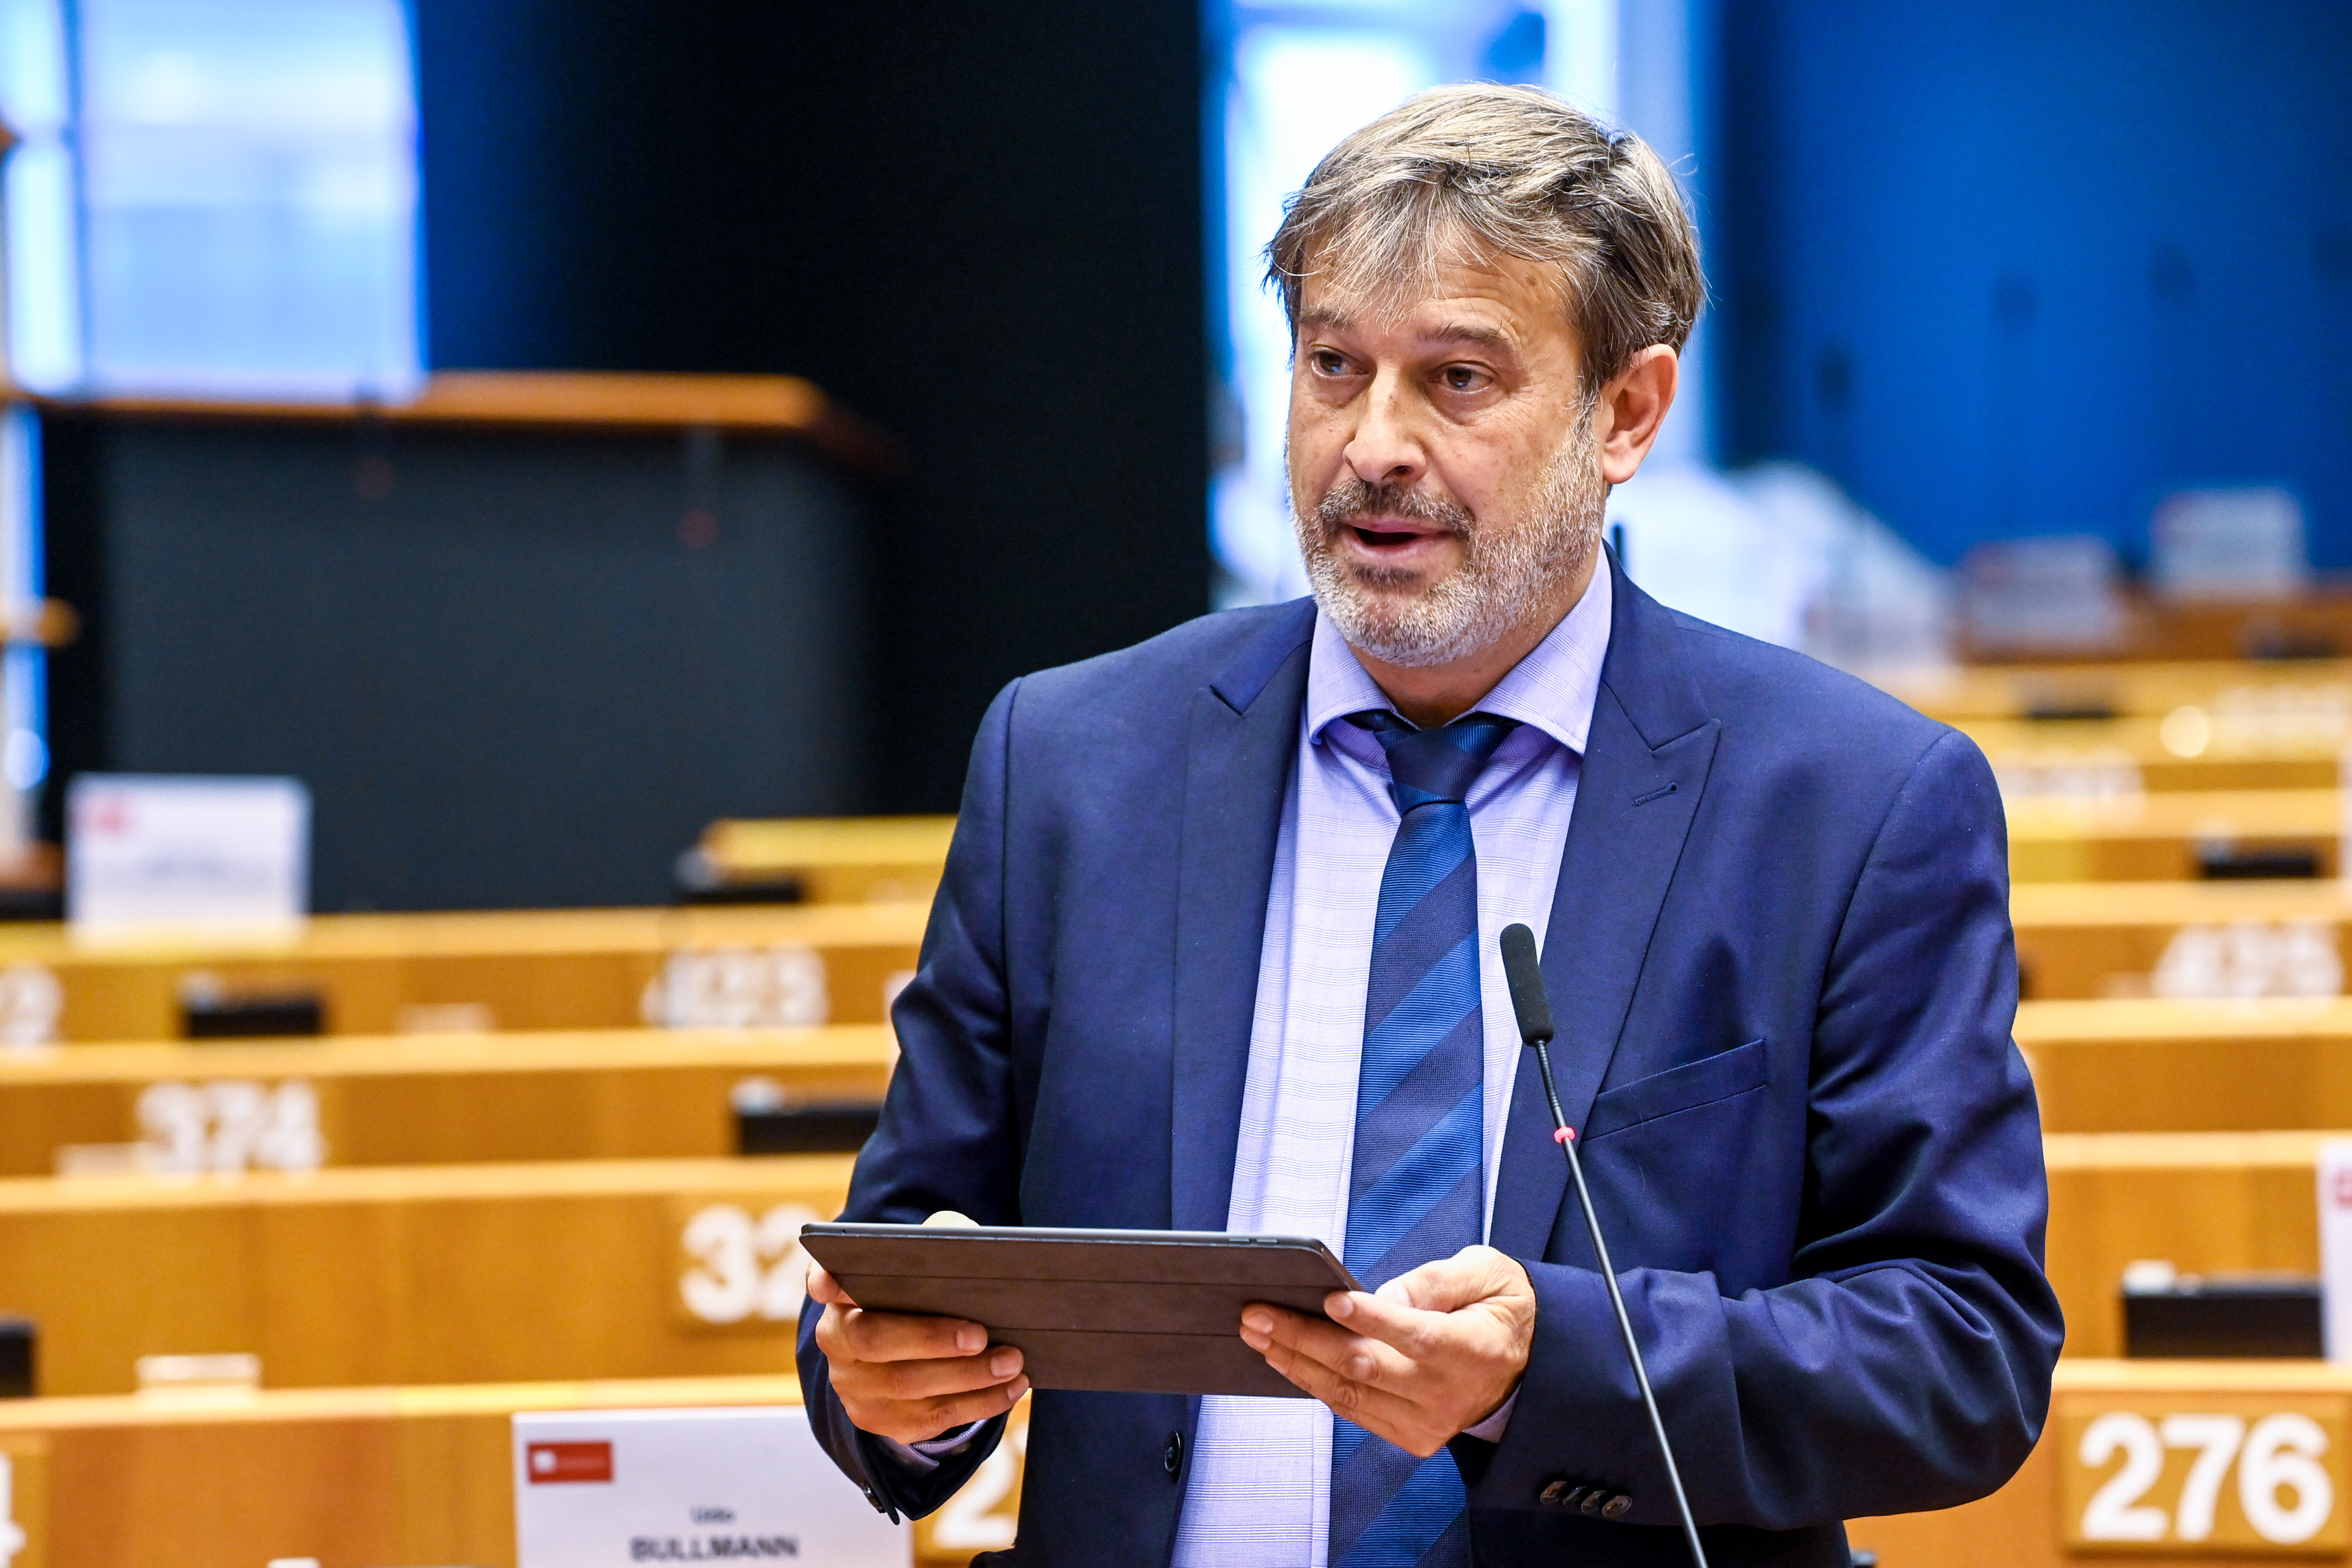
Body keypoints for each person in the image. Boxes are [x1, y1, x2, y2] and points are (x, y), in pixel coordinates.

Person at [797, 83, 2062, 1567]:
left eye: (1457, 379)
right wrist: (893, 1389)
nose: (1373, 445)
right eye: (1334, 366)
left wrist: (1551, 1367)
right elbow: (905, 1264)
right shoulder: (1072, 763)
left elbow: (1962, 1349)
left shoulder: (1852, 802)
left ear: (1627, 413)